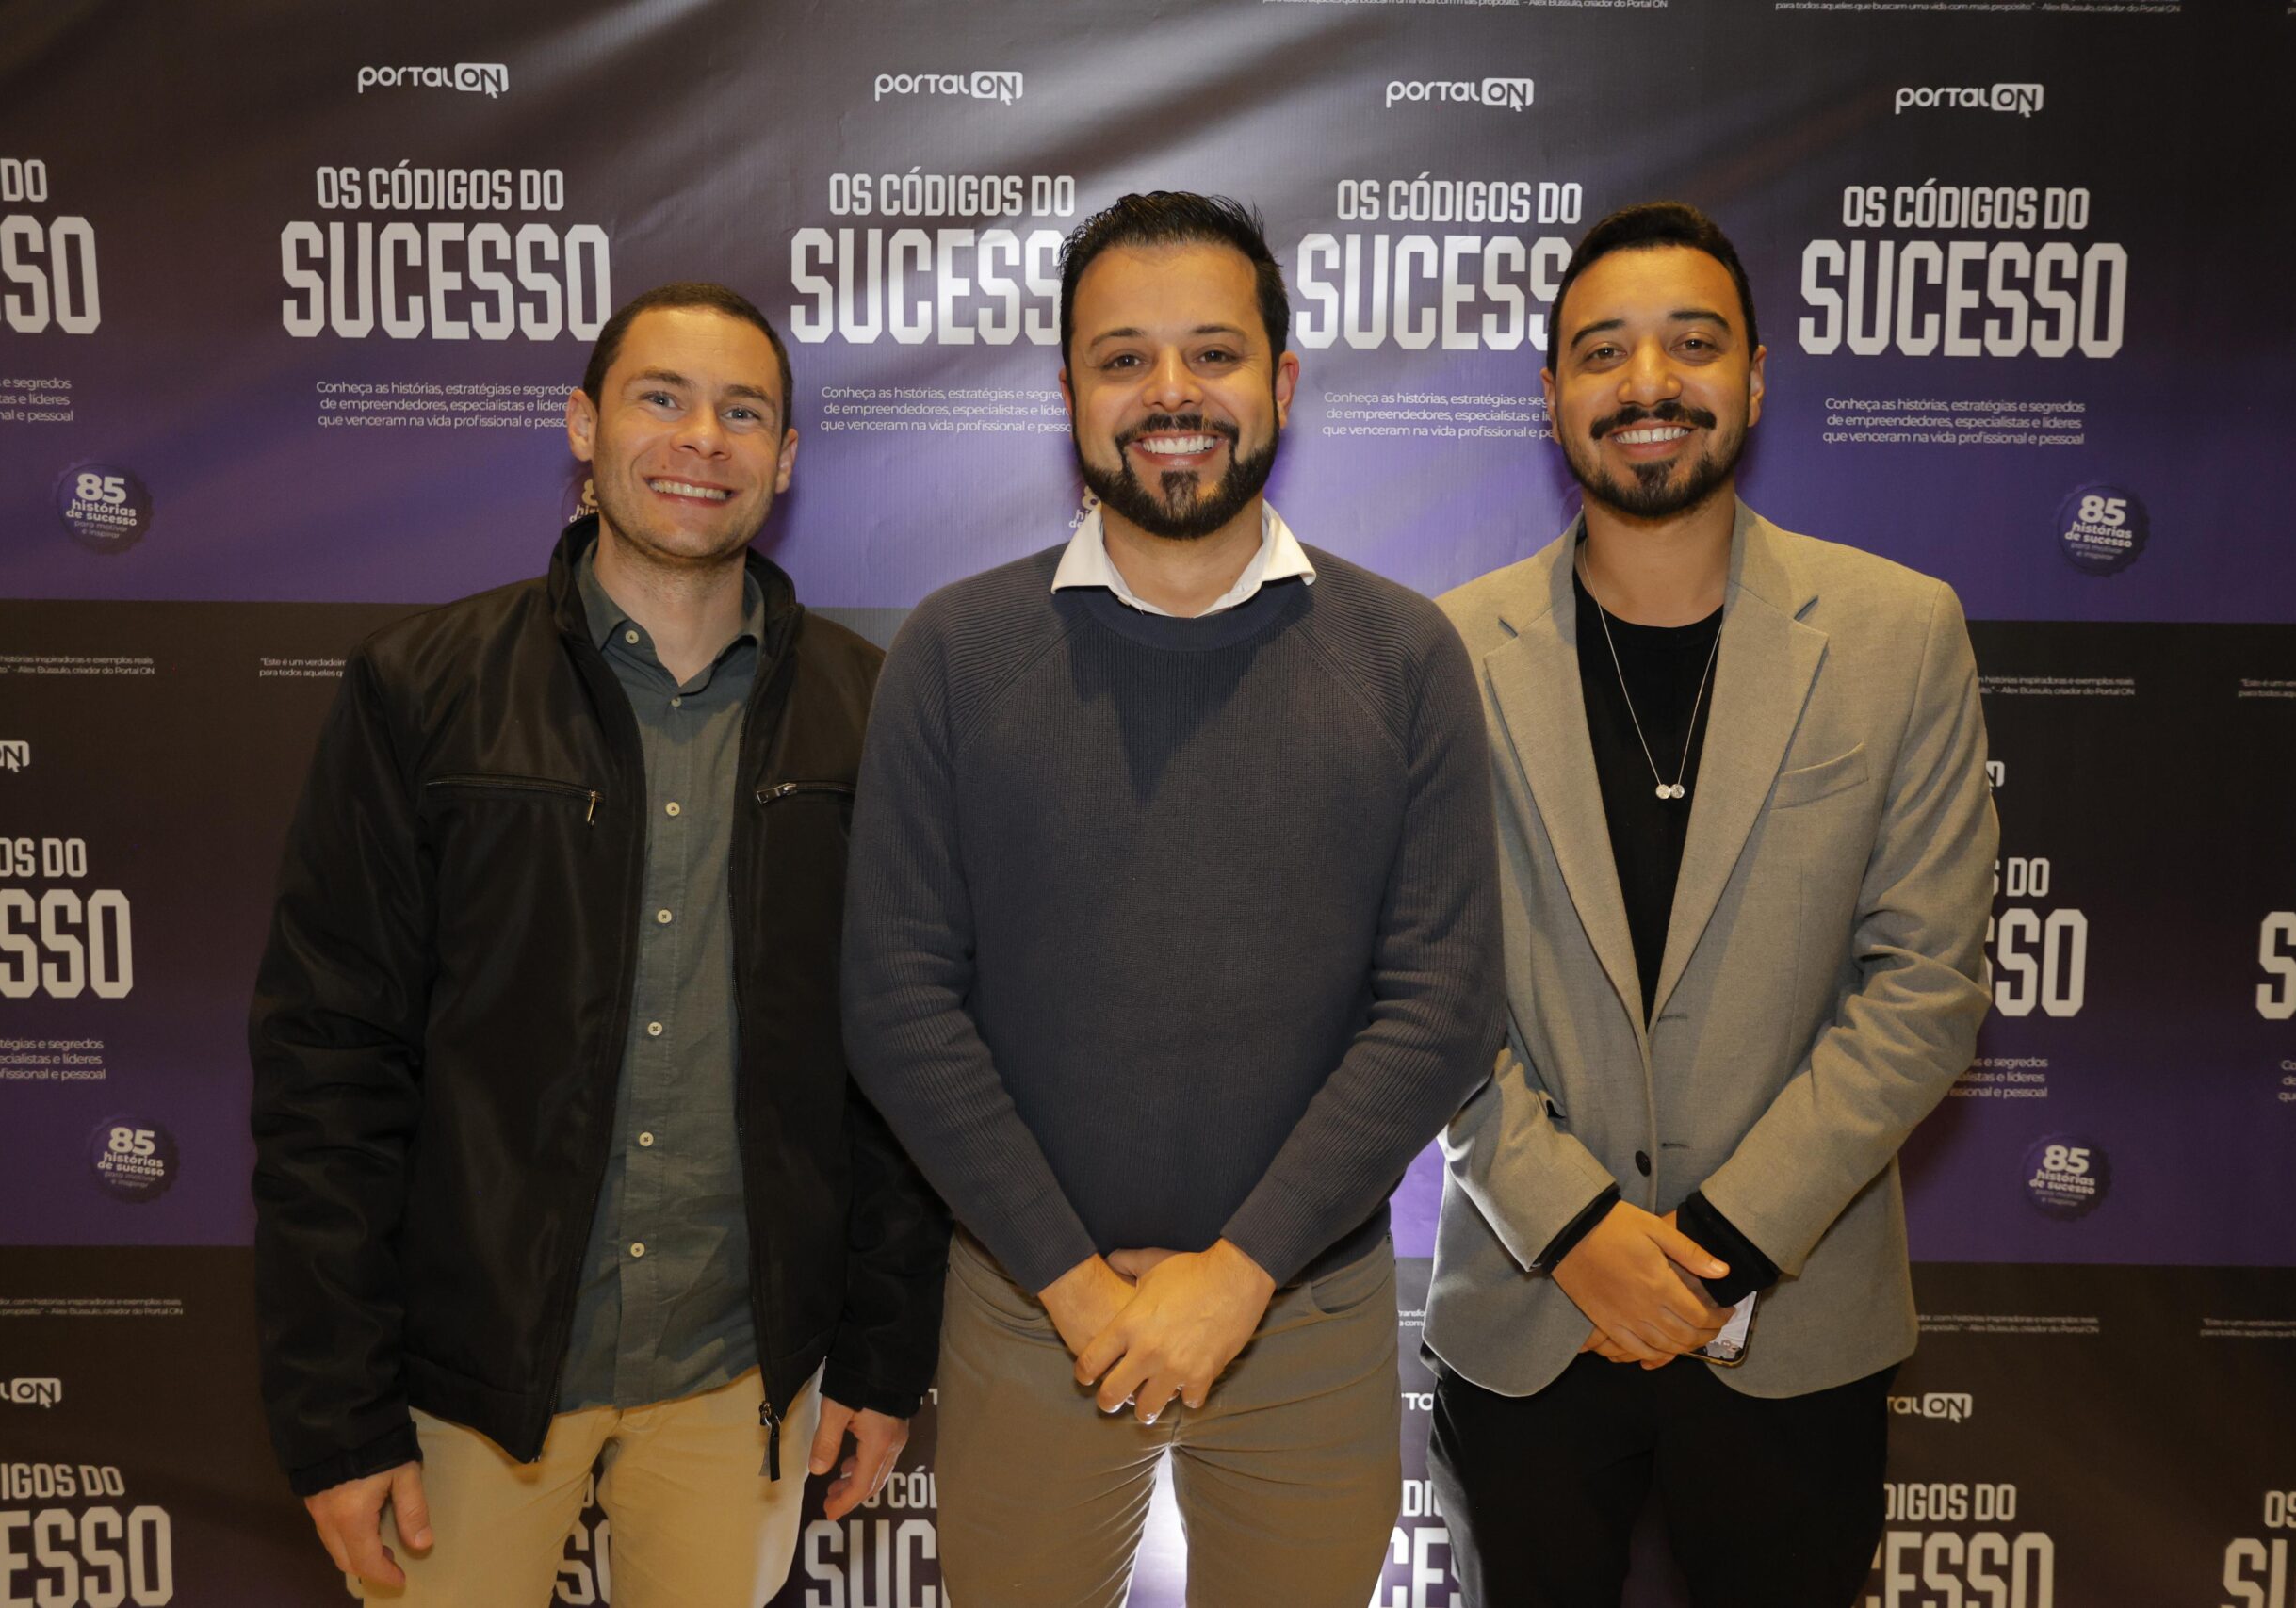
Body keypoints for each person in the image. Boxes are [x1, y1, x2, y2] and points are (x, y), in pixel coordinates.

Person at [840, 192, 1503, 1608]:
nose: (1171, 394)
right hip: (1033, 1312)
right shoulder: (954, 653)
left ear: (1283, 381)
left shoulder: (1404, 656)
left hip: (1306, 1309)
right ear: (1068, 394)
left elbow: (1443, 1009)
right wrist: (1075, 1285)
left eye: (1213, 352)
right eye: (1124, 358)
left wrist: (1241, 1272)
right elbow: (897, 1003)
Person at [250, 282, 948, 1606]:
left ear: (786, 459)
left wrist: (878, 1352)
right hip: (465, 1381)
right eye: (660, 398)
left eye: (743, 413)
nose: (702, 440)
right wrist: (337, 1410)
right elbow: (329, 1061)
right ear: (584, 425)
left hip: (739, 1380)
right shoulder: (422, 689)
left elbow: (900, 1072)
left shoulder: (872, 716)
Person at [1425, 202, 1997, 1605]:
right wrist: (1578, 1233)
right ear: (1552, 393)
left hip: (1795, 1321)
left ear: (1755, 375)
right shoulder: (1444, 653)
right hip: (1531, 1312)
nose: (1649, 383)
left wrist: (1716, 1254)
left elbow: (1926, 986)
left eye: (1692, 344)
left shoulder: (1899, 633)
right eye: (1602, 351)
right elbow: (1422, 997)